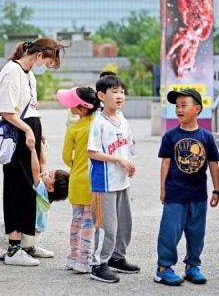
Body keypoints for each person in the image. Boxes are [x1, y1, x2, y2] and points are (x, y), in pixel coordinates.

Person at [0, 38, 64, 266]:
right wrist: (27, 130)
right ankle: (13, 249)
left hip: (28, 136)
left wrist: (39, 131)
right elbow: (6, 110)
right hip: (17, 137)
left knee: (28, 191)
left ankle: (27, 244)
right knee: (16, 190)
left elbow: (32, 107)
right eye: (48, 62)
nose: (46, 67)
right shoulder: (11, 72)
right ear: (39, 55)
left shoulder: (28, 74)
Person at [154, 89, 219, 286]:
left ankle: (192, 266)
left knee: (197, 233)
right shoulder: (170, 136)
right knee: (169, 231)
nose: (179, 109)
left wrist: (217, 190)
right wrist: (162, 189)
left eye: (184, 105)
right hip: (175, 193)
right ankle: (163, 268)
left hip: (198, 195)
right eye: (177, 106)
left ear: (197, 109)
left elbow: (214, 164)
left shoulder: (207, 137)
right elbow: (165, 162)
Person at [88, 75, 140, 283]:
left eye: (122, 92)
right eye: (114, 92)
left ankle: (116, 258)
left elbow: (128, 146)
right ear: (102, 96)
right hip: (104, 183)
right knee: (106, 226)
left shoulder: (122, 119)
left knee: (124, 225)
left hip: (122, 181)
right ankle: (98, 264)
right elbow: (92, 152)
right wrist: (118, 159)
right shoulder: (98, 122)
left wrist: (129, 163)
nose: (120, 96)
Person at [0, 140, 70, 261]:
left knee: (3, 226)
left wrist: (33, 150)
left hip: (27, 235)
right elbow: (43, 163)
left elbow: (35, 170)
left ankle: (16, 250)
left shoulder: (41, 191)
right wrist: (41, 144)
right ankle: (29, 248)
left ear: (50, 188)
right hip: (35, 235)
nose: (45, 173)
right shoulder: (47, 197)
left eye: (49, 175)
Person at [58, 87, 100, 273]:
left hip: (76, 179)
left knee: (76, 220)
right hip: (93, 179)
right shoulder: (98, 124)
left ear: (82, 109)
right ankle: (85, 259)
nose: (70, 107)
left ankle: (74, 257)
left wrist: (76, 165)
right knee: (89, 222)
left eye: (72, 104)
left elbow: (66, 156)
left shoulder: (74, 128)